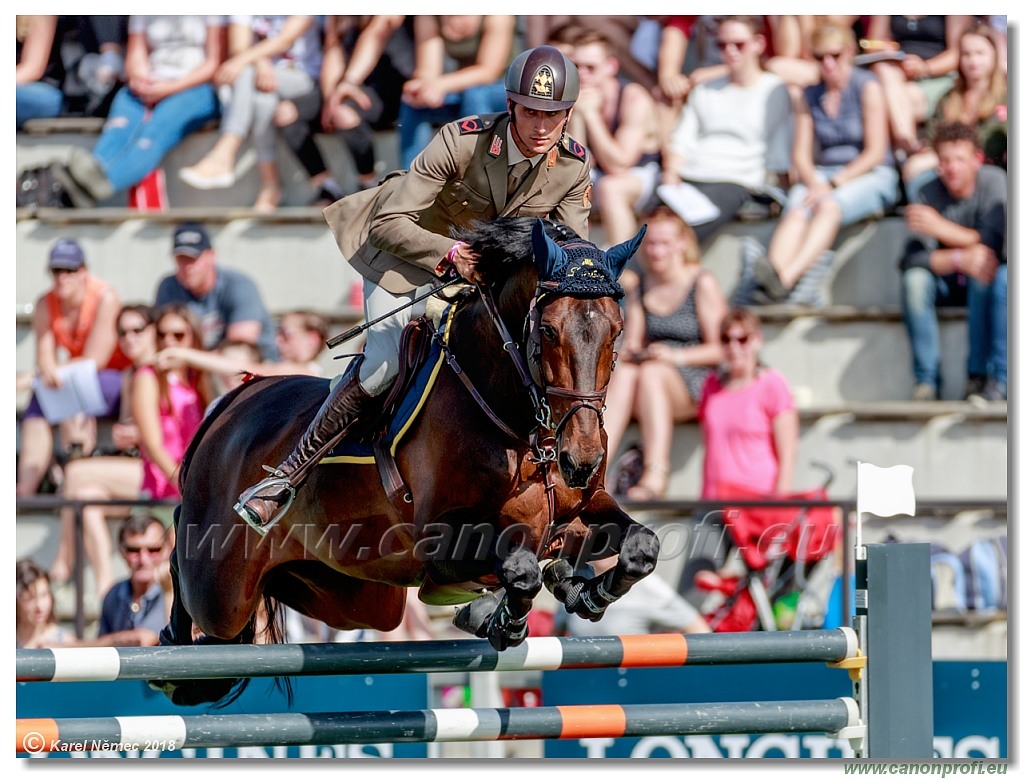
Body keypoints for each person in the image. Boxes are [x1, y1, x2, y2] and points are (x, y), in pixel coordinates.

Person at [235, 45, 591, 530]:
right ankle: (286, 476)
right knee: (384, 362)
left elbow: (569, 250)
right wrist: (448, 254)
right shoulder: (460, 141)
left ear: (568, 114)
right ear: (511, 107)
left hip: (482, 276)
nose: (542, 126)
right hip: (406, 255)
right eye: (531, 111)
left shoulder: (572, 165)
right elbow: (388, 222)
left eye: (554, 114)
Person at [745, 23, 899, 306]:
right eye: (819, 57)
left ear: (850, 52)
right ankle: (772, 276)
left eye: (835, 55)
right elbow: (800, 155)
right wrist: (815, 183)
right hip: (824, 175)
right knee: (796, 208)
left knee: (828, 206)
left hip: (870, 175)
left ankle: (783, 280)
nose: (828, 64)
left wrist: (830, 185)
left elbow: (875, 152)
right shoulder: (810, 94)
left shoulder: (868, 87)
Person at [603, 207, 727, 500]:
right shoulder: (641, 285)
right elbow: (633, 342)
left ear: (683, 243)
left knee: (652, 372)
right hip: (651, 376)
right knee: (628, 371)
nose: (657, 251)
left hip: (694, 377)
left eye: (664, 243)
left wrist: (674, 357)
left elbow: (721, 348)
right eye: (652, 244)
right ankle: (597, 471)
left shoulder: (701, 282)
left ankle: (656, 471)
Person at [43, 16, 225, 208]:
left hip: (196, 88)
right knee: (118, 128)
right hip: (149, 84)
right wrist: (141, 79)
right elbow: (136, 54)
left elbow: (214, 63)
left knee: (150, 137)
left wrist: (169, 88)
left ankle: (97, 186)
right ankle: (85, 179)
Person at [49, 304, 158, 596]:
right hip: (136, 470)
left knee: (75, 472)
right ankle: (105, 588)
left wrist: (138, 434)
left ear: (153, 332)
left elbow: (170, 433)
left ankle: (63, 558)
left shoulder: (158, 370)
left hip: (161, 474)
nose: (129, 338)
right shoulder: (129, 374)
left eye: (138, 330)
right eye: (123, 332)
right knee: (86, 499)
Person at [662, 16, 794, 247]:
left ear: (759, 44)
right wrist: (671, 175)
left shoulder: (774, 89)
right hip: (687, 180)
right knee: (653, 231)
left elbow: (778, 149)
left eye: (739, 44)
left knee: (671, 241)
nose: (730, 51)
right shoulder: (705, 89)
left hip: (735, 182)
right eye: (722, 45)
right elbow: (682, 140)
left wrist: (785, 192)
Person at [899, 120, 1006, 402]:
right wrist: (959, 257)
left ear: (976, 160)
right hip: (945, 282)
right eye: (945, 160)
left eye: (959, 159)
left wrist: (940, 228)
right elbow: (911, 260)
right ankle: (926, 381)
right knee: (914, 282)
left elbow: (995, 245)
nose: (952, 168)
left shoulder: (994, 182)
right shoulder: (925, 191)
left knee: (986, 269)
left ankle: (978, 375)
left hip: (981, 283)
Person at [18, 238, 128, 498]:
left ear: (83, 271)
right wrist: (42, 374)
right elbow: (44, 358)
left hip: (116, 380)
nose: (62, 278)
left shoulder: (105, 297)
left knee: (64, 392)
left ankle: (73, 475)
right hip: (79, 379)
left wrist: (35, 377)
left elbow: (94, 361)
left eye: (69, 270)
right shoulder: (46, 303)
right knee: (39, 403)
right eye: (57, 271)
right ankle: (25, 488)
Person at [178, 16, 323, 212]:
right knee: (263, 100)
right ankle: (270, 186)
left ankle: (226, 150)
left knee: (245, 73)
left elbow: (284, 40)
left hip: (302, 78)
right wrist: (261, 64)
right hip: (259, 79)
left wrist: (245, 62)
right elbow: (239, 46)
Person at [566, 31, 662, 247]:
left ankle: (619, 266)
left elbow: (619, 164)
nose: (582, 74)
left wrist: (590, 115)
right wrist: (579, 116)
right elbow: (575, 167)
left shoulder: (634, 97)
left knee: (611, 187)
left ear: (611, 66)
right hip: (600, 175)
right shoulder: (576, 98)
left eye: (591, 67)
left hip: (641, 175)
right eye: (576, 67)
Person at [698, 307, 798, 500]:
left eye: (742, 339)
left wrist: (779, 507)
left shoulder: (772, 384)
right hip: (713, 500)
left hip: (757, 500)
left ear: (757, 340)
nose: (733, 346)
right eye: (726, 339)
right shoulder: (711, 384)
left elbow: (788, 456)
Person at [902, 23, 1007, 198]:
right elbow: (932, 139)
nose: (973, 61)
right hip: (950, 172)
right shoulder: (949, 98)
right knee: (918, 178)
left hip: (989, 173)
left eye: (980, 53)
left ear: (994, 55)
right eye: (967, 54)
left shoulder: (1008, 97)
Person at [314, 16, 414, 200]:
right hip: (356, 89)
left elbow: (375, 34)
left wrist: (348, 82)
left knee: (344, 113)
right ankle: (327, 186)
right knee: (287, 111)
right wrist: (331, 98)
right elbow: (332, 51)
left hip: (394, 89)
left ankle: (368, 184)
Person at [397, 16, 515, 169]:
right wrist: (422, 88)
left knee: (475, 95)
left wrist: (440, 85)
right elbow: (428, 69)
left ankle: (478, 172)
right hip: (462, 88)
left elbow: (489, 71)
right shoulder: (429, 15)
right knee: (413, 102)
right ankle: (410, 177)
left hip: (504, 88)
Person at [154, 222, 279, 361]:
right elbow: (159, 338)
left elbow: (239, 348)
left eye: (193, 259)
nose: (187, 267)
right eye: (181, 259)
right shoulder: (169, 287)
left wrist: (185, 357)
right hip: (198, 371)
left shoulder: (238, 285)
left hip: (257, 370)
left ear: (212, 256)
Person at [866, 15, 973, 157]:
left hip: (937, 75)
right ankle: (907, 145)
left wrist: (924, 67)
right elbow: (871, 44)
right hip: (896, 76)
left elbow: (957, 53)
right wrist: (884, 47)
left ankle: (903, 148)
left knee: (891, 100)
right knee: (886, 73)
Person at [562, 555, 711, 635]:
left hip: (632, 684)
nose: (601, 548)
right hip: (582, 683)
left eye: (607, 538)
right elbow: (556, 633)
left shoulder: (648, 586)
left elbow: (700, 630)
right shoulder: (574, 582)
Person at [97, 514, 173, 645]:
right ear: (122, 551)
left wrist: (169, 592)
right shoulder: (114, 594)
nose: (143, 559)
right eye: (134, 550)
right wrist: (127, 638)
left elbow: (182, 650)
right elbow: (98, 650)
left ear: (167, 550)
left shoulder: (183, 594)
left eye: (153, 550)